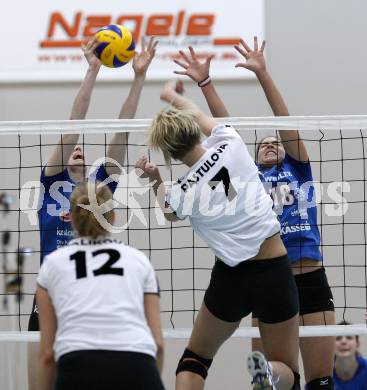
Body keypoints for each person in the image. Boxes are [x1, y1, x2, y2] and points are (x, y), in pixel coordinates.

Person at [173, 37, 336, 390]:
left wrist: (263, 74)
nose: (270, 144)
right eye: (262, 143)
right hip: (271, 274)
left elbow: (284, 120)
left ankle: (272, 374)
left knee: (321, 381)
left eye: (275, 142)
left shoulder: (298, 168)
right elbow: (224, 127)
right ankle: (269, 375)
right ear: (253, 155)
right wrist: (206, 85)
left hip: (309, 277)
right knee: (275, 380)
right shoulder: (247, 176)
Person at [135, 80, 300, 390]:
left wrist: (156, 178)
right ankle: (269, 373)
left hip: (231, 278)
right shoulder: (230, 142)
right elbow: (197, 112)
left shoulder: (182, 192)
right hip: (274, 268)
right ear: (192, 130)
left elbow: (169, 213)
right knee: (289, 369)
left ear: (169, 152)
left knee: (195, 360)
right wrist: (171, 95)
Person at [28, 36, 158, 390]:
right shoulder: (51, 182)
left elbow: (122, 132)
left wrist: (138, 78)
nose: (78, 150)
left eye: (82, 151)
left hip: (87, 298)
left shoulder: (99, 189)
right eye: (72, 150)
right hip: (51, 295)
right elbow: (74, 126)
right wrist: (92, 71)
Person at [36, 181, 164, 390]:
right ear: (113, 217)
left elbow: (47, 355)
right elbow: (158, 344)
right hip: (137, 368)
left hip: (78, 368)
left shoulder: (52, 265)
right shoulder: (139, 261)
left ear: (72, 221)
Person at [333, 321, 367, 389]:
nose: (343, 341)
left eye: (349, 337)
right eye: (338, 338)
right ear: (331, 345)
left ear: (357, 343)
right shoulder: (323, 374)